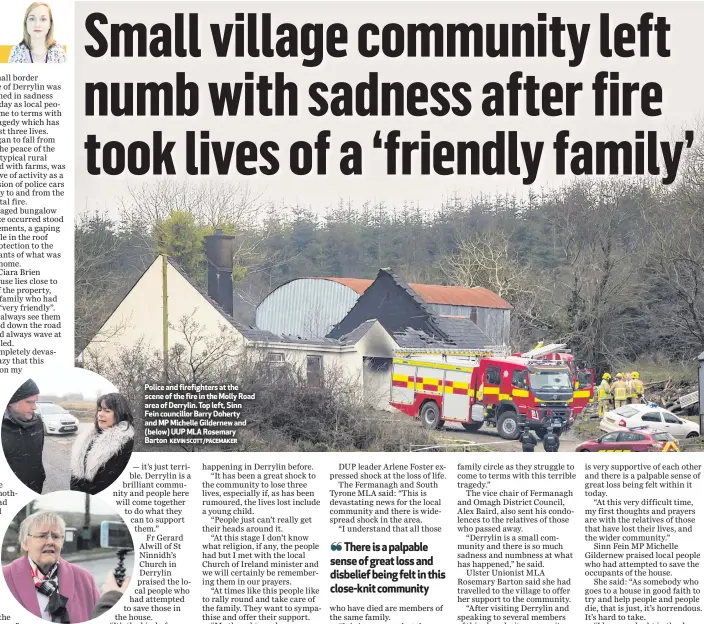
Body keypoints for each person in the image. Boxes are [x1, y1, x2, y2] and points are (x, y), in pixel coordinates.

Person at [3, 511, 99, 623]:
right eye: (42, 536)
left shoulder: (84, 579)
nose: (50, 541)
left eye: (56, 536)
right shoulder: (6, 577)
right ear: (25, 543)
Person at [70, 393, 134, 495]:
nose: (100, 414)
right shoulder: (87, 436)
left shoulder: (126, 444)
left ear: (120, 414)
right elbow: (75, 474)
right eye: (99, 410)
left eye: (107, 411)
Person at [2, 379, 45, 493]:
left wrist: (39, 477)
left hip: (35, 487)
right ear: (11, 401)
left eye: (35, 402)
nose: (35, 407)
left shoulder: (38, 423)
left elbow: (38, 455)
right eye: (29, 402)